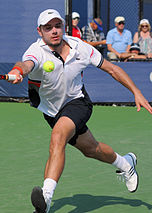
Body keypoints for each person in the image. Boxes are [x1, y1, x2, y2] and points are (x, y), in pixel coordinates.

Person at [8, 9, 152, 213]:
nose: (54, 31)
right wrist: (17, 71)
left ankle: (46, 199)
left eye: (57, 26)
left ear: (63, 27)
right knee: (91, 149)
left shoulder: (79, 48)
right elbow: (26, 64)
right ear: (40, 31)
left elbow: (112, 68)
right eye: (48, 28)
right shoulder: (36, 51)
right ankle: (126, 163)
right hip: (51, 110)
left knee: (58, 137)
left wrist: (136, 91)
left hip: (78, 103)